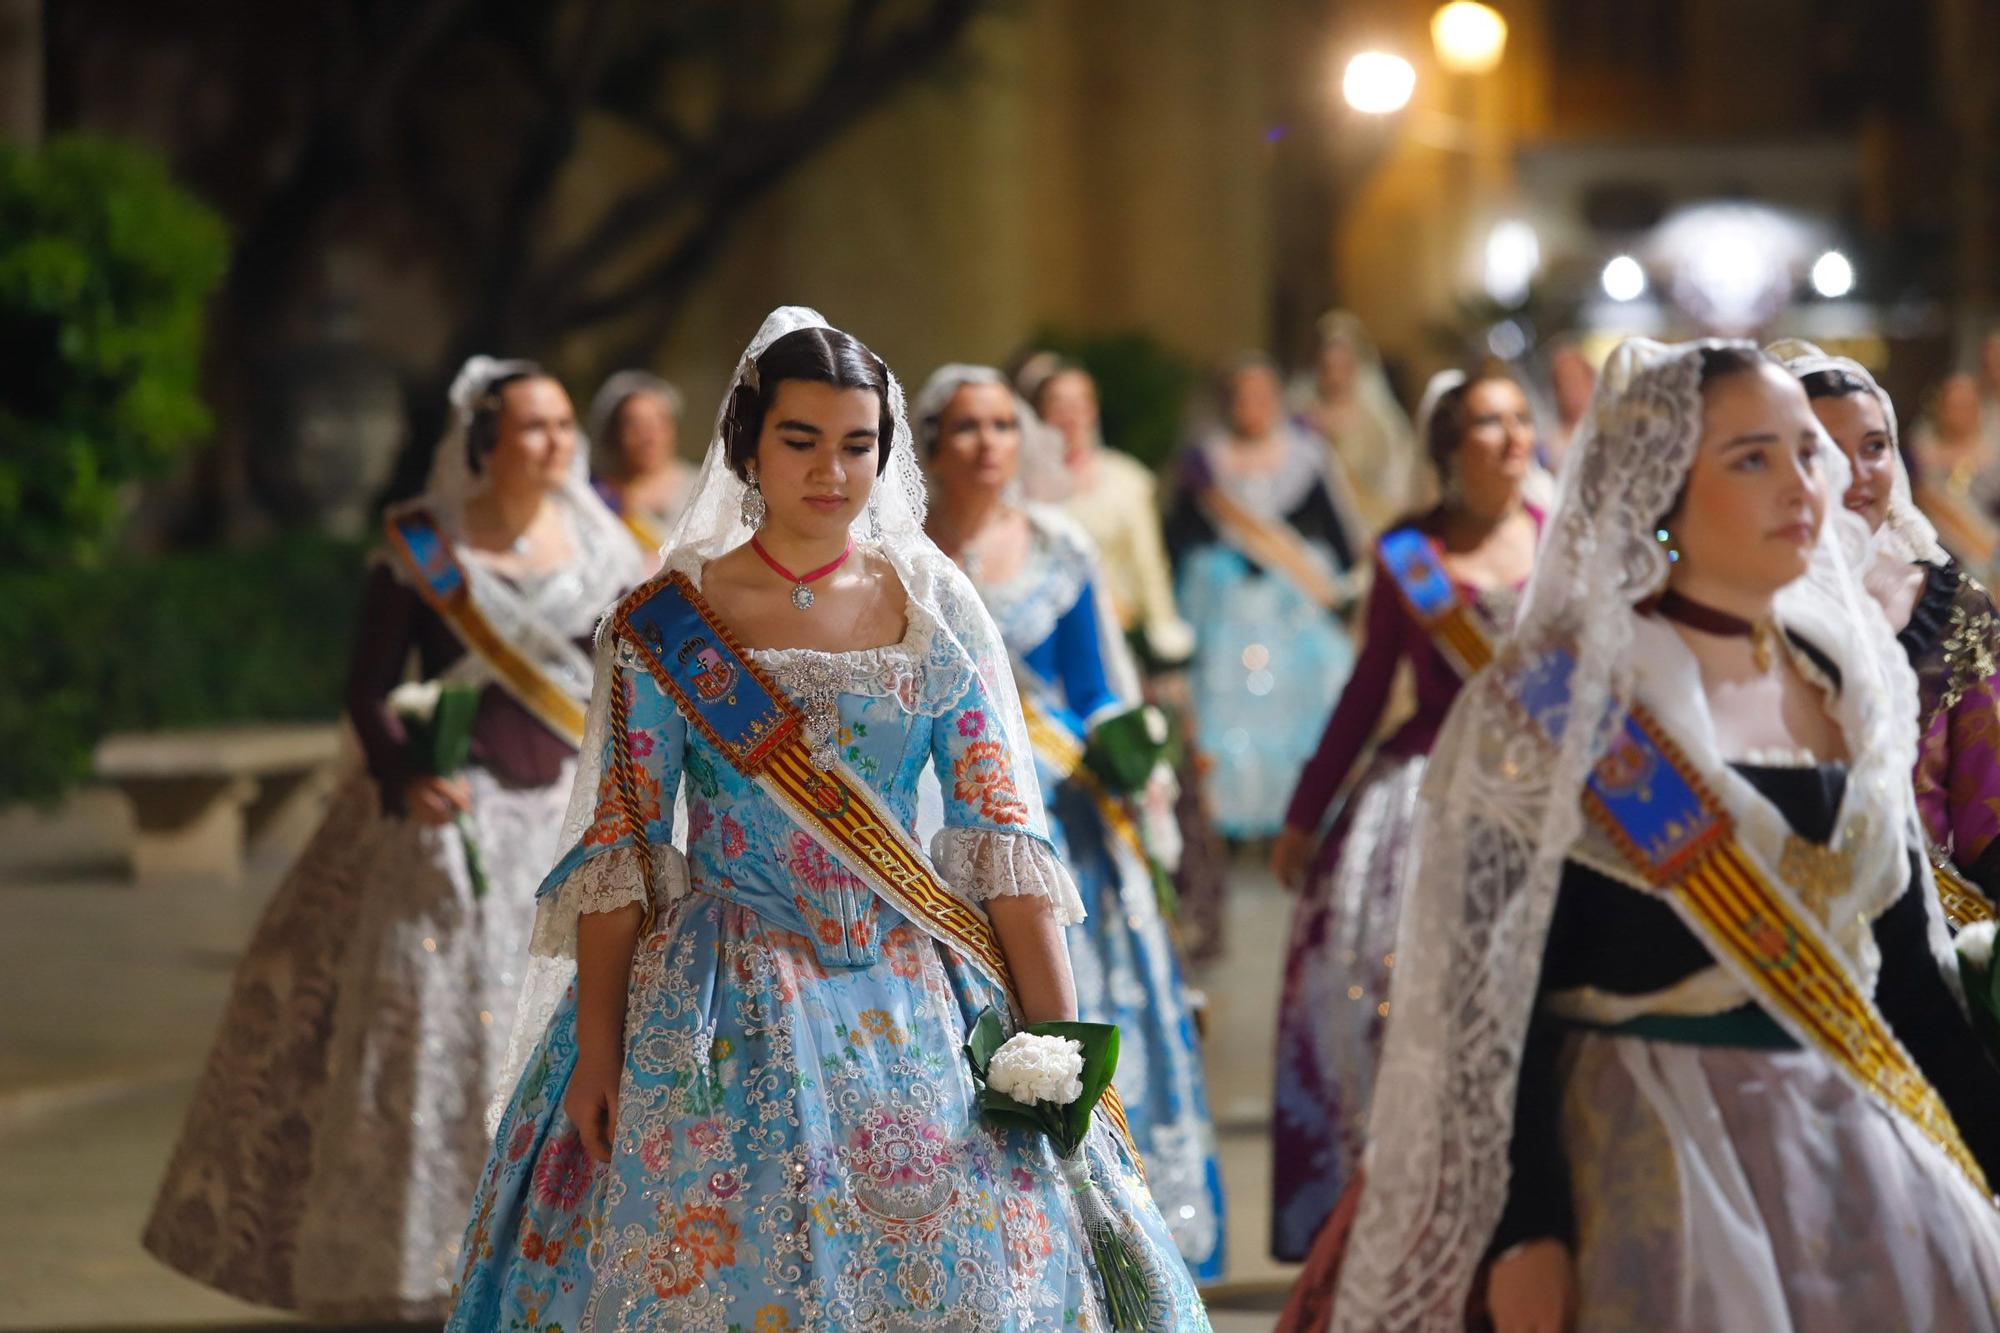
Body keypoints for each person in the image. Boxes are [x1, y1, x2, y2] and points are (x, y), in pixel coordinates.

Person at [446, 310, 1212, 1331]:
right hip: (719, 996)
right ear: (748, 447)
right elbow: (625, 848)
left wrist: (1054, 1039)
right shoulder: (666, 619)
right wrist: (595, 1049)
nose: (830, 470)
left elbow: (1004, 841)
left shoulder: (935, 607)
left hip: (914, 984)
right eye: (799, 440)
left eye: (857, 445)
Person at [1308, 339, 2000, 1333]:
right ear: (1660, 484)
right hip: (1650, 1157)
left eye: (1806, 453)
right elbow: (1494, 999)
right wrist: (1528, 1229)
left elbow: (1899, 982)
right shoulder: (1558, 699)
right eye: (1749, 458)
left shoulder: (1850, 685)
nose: (1803, 485)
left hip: (1855, 1150)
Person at [144, 358, 646, 1321]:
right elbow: (368, 686)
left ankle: (557, 1254)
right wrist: (407, 771)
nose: (554, 444)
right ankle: (428, 1261)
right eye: (532, 427)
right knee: (438, 1047)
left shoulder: (609, 545)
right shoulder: (423, 545)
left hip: (568, 828)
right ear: (482, 443)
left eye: (562, 426)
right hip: (456, 825)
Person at [921, 363, 1227, 1280]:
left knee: (1082, 995)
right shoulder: (900, 554)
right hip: (941, 823)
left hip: (1059, 824)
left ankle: (1111, 1211)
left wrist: (1122, 742)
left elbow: (1094, 684)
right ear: (929, 443)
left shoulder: (1058, 548)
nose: (988, 444)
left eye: (1002, 426)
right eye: (967, 428)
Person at [1265, 368, 1541, 1262]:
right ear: (1450, 450)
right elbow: (1364, 693)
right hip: (1423, 799)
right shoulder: (1408, 553)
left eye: (1522, 420)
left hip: (1538, 795)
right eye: (1489, 425)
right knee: (1386, 997)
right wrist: (1305, 812)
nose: (1513, 439)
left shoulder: (1561, 543)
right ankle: (1398, 1214)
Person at [1776, 340, 2000, 927]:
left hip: (1937, 934)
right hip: (1775, 942)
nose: (1857, 472)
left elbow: (1990, 810)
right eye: (1824, 450)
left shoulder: (1951, 607)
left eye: (1874, 447)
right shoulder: (1735, 616)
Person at [1032, 360, 1229, 960]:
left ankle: (1167, 920)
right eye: (1056, 405)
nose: (1069, 417)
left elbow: (1148, 569)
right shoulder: (1021, 488)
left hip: (1114, 649)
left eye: (1080, 403)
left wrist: (1162, 644)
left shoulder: (1124, 482)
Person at [1166, 354, 1364, 841]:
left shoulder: (1306, 455)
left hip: (1290, 610)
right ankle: (1229, 819)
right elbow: (1177, 535)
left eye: (1261, 396)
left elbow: (1340, 535)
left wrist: (1332, 585)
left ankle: (1295, 816)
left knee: (1301, 705)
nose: (1251, 406)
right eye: (1241, 396)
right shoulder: (1205, 462)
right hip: (1223, 607)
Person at [1287, 310, 1419, 535]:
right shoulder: (1298, 416)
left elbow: (1399, 480)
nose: (1335, 376)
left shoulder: (1381, 423)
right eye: (1327, 366)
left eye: (1343, 366)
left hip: (1370, 523)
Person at [589, 369, 695, 555]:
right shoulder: (597, 497)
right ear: (614, 434)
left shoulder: (701, 487)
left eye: (659, 423)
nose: (649, 437)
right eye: (635, 426)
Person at [1910, 370, 2000, 583]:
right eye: (1955, 406)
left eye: (1969, 406)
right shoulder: (1920, 453)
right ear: (1940, 408)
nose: (1962, 414)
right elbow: (1931, 505)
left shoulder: (1994, 450)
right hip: (1946, 553)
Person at [1543, 335, 1597, 474]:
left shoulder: (1609, 432)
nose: (1570, 390)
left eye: (1576, 380)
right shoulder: (1548, 445)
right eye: (1563, 382)